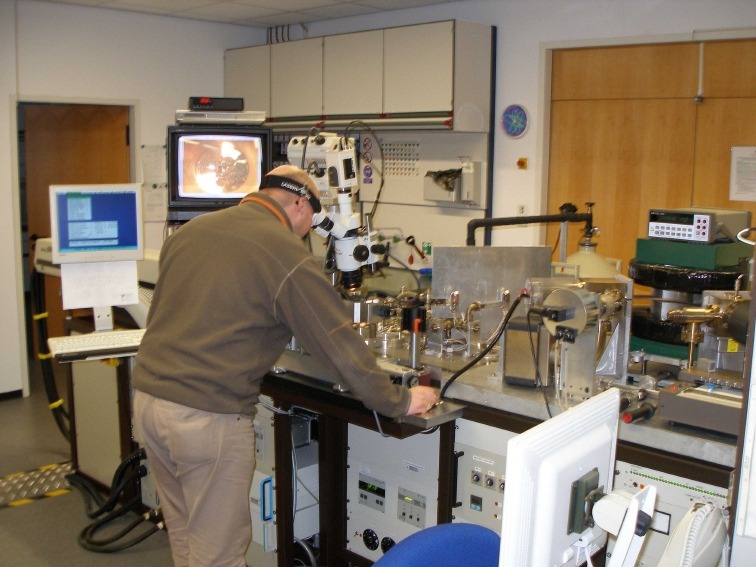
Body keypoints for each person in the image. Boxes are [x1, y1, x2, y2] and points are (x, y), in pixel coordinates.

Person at [131, 164, 439, 567]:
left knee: (187, 538)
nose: (308, 231)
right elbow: (337, 345)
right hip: (206, 419)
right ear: (299, 204)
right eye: (312, 219)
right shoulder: (284, 252)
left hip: (150, 404)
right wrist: (399, 400)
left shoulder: (190, 232)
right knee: (218, 556)